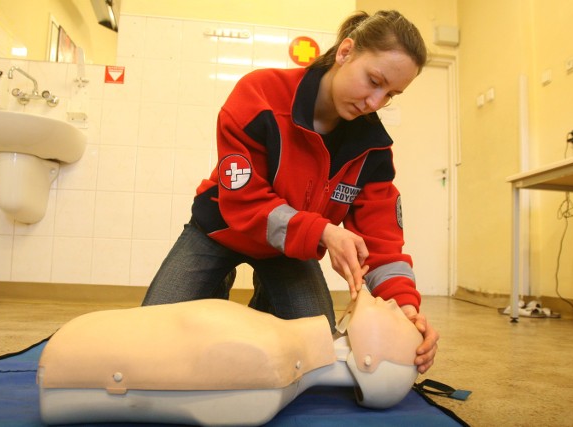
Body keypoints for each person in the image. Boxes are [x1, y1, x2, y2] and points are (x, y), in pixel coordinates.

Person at [143, 9, 438, 374]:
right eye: (373, 81)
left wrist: (406, 307)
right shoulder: (260, 95)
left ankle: (269, 299)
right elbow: (243, 201)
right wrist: (324, 232)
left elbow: (383, 242)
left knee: (314, 355)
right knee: (151, 340)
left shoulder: (373, 147)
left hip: (290, 250)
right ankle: (215, 281)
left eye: (391, 94)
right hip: (219, 231)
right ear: (345, 52)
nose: (375, 103)